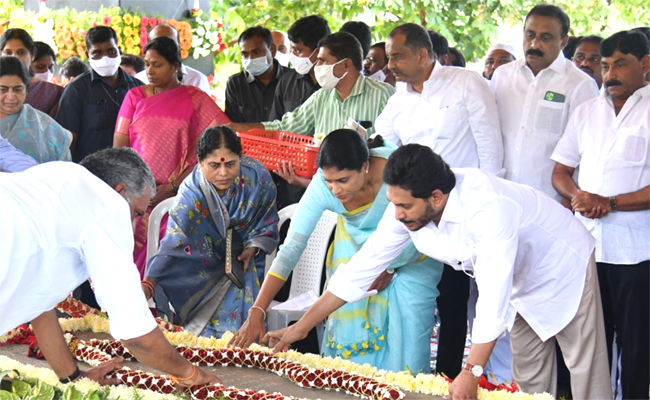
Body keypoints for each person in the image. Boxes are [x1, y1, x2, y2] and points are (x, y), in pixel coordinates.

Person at [265, 144, 612, 400]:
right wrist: (300, 327)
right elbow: (360, 269)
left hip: (562, 267)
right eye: (394, 203)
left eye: (404, 206)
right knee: (530, 378)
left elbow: (492, 298)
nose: (396, 214)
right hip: (519, 282)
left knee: (585, 371)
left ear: (436, 197)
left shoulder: (488, 209)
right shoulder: (407, 206)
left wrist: (470, 372)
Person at [0, 147, 222, 388]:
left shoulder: (57, 177)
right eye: (137, 213)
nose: (134, 225)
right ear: (120, 191)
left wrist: (74, 378)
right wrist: (191, 375)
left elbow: (39, 303)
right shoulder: (107, 206)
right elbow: (136, 335)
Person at [231, 130, 442, 373]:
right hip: (356, 250)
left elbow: (423, 221)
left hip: (413, 252)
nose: (335, 190)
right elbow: (290, 250)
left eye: (343, 181)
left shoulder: (395, 175)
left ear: (365, 167)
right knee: (351, 338)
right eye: (329, 181)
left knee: (410, 333)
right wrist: (257, 311)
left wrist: (391, 267)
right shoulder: (323, 184)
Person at [551, 30, 650, 400]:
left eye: (620, 64)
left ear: (645, 64)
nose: (609, 74)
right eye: (605, 66)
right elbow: (560, 172)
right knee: (590, 345)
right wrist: (580, 197)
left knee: (637, 346)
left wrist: (609, 203)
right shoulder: (587, 111)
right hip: (587, 250)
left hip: (638, 252)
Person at [144, 126, 279, 338]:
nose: (223, 174)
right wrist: (149, 282)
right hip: (202, 268)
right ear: (199, 162)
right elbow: (173, 244)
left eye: (231, 165)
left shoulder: (258, 178)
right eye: (214, 166)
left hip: (244, 265)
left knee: (239, 329)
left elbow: (266, 221)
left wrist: (253, 246)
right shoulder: (191, 192)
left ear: (240, 158)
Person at [114, 36, 230, 277]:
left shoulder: (195, 100)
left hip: (180, 195)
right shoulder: (135, 97)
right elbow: (120, 149)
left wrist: (174, 186)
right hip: (136, 196)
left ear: (175, 66)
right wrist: (138, 188)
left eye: (157, 64)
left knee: (169, 266)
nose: (150, 71)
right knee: (129, 267)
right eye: (146, 64)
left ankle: (165, 313)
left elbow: (222, 141)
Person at [229, 32, 395, 190]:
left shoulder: (383, 95)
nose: (318, 66)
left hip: (369, 191)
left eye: (323, 61)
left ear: (346, 64)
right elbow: (286, 127)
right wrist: (239, 129)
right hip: (325, 189)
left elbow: (394, 147)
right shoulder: (322, 97)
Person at [489, 4, 599, 202]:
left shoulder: (580, 85)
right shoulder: (502, 76)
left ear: (563, 40)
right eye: (530, 35)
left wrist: (569, 199)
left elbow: (585, 150)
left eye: (545, 38)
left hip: (550, 200)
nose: (534, 44)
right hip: (501, 195)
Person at [56, 26, 143, 162]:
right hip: (89, 172)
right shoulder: (76, 90)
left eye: (111, 51)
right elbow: (66, 143)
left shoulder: (137, 88)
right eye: (97, 53)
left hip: (131, 171)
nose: (105, 58)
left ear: (119, 50)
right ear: (87, 55)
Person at [0, 56, 72, 163]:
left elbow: (64, 173)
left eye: (17, 89)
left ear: (26, 91)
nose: (10, 96)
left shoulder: (47, 127)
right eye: (3, 89)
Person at [267, 15, 330, 120]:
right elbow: (275, 125)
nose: (292, 55)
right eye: (291, 49)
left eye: (298, 50)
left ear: (318, 51)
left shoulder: (336, 83)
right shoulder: (287, 81)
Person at [225, 26, 285, 123]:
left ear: (272, 50)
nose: (250, 59)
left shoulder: (293, 80)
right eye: (245, 54)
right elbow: (232, 125)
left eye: (256, 52)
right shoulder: (236, 83)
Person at [0, 29, 63, 118]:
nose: (14, 57)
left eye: (21, 52)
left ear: (32, 55)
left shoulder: (50, 92)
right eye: (8, 53)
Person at [134, 24, 210, 92]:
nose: (163, 49)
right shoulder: (138, 80)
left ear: (179, 46)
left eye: (170, 44)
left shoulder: (198, 80)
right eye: (157, 44)